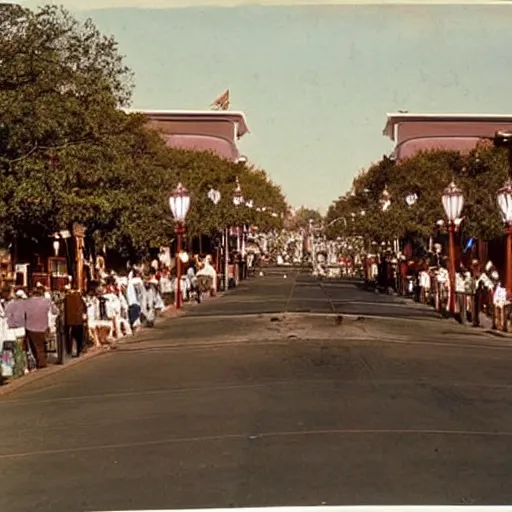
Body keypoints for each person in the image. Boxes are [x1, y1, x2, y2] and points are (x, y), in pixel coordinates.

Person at [24, 283, 58, 369]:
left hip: (31, 327)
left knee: (35, 345)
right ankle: (41, 361)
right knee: (41, 344)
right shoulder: (46, 301)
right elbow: (55, 311)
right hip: (43, 326)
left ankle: (40, 361)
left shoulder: (27, 302)